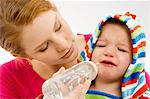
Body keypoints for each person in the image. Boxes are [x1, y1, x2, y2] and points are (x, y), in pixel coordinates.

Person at [0, 0, 92, 98]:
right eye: (44, 47)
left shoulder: (104, 46)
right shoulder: (8, 79)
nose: (63, 45)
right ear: (24, 55)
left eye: (58, 27)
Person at [85, 12, 150, 98]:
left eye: (121, 49)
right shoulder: (73, 88)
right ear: (90, 50)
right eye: (101, 45)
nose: (109, 52)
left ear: (135, 61)